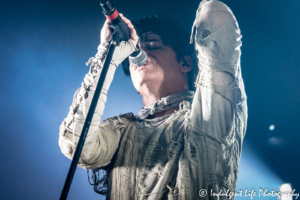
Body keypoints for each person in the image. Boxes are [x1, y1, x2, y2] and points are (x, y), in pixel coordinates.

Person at [58, 0, 247, 199]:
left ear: (185, 63)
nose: (140, 55)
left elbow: (217, 20)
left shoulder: (207, 118)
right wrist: (107, 54)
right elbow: (76, 144)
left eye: (152, 46)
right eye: (134, 52)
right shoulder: (122, 131)